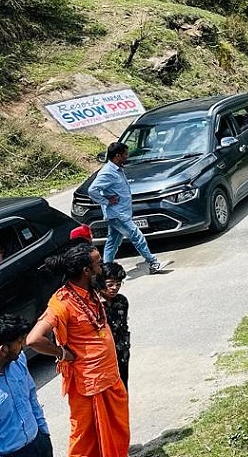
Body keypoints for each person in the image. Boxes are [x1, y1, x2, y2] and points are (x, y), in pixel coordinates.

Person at [26, 244, 129, 457]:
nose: (102, 267)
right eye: (98, 263)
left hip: (110, 377)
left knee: (117, 430)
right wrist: (62, 353)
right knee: (85, 439)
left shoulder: (91, 289)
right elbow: (34, 339)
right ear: (86, 271)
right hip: (88, 384)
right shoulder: (62, 303)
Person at [87, 143, 169, 274]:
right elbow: (92, 190)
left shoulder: (118, 169)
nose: (127, 156)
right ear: (117, 155)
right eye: (125, 154)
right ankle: (153, 263)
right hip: (118, 214)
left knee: (112, 242)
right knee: (137, 236)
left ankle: (106, 271)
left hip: (120, 213)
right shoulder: (108, 172)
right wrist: (106, 201)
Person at [0, 314, 52, 457]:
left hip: (39, 443)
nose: (23, 345)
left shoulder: (19, 360)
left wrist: (44, 432)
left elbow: (31, 396)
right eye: (19, 342)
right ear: (3, 350)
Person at [98, 263, 130, 389]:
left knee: (123, 388)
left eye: (118, 284)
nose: (114, 288)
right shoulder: (94, 305)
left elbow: (124, 325)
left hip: (122, 353)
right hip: (105, 358)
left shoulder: (122, 301)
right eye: (110, 284)